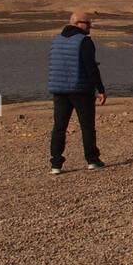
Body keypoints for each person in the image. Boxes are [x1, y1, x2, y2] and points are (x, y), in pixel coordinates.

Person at [48, 10, 106, 174]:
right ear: (77, 23)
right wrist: (100, 89)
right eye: (87, 23)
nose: (90, 27)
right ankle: (92, 160)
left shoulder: (56, 40)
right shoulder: (84, 41)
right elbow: (91, 68)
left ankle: (56, 164)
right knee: (87, 126)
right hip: (80, 90)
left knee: (59, 127)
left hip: (59, 90)